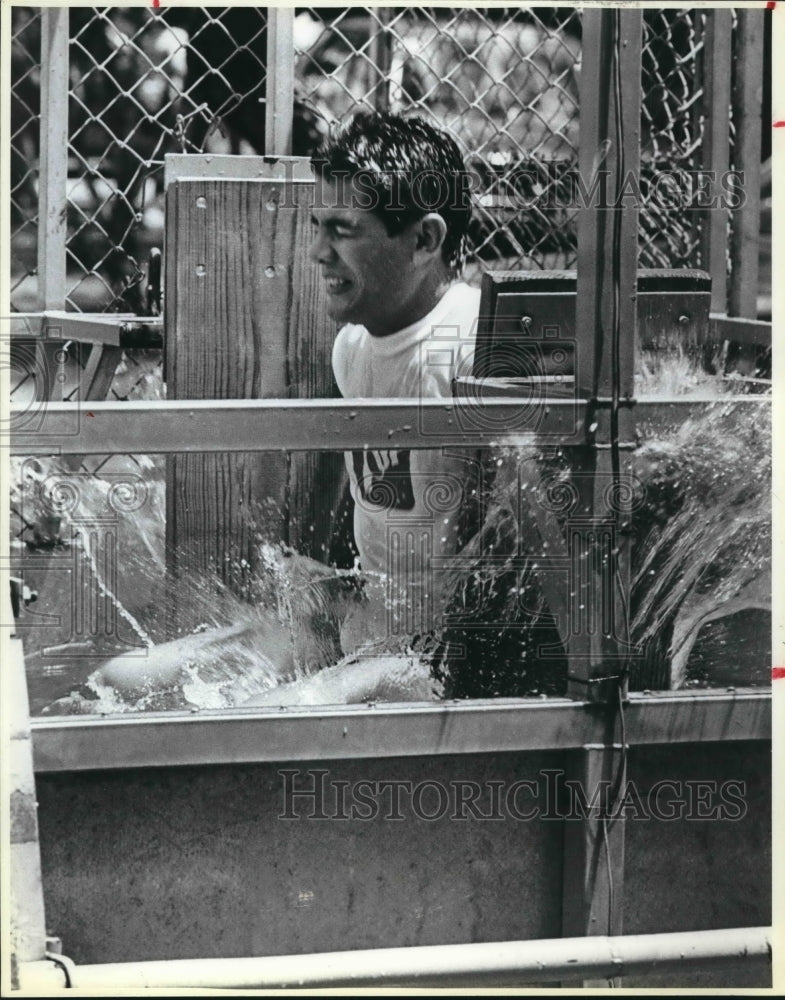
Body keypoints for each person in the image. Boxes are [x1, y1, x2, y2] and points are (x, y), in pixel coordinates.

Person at [309, 111, 481, 648]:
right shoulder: (352, 349)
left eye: (343, 231)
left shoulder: (475, 344)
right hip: (371, 631)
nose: (318, 252)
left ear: (424, 240)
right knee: (124, 679)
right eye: (317, 228)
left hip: (437, 658)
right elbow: (367, 509)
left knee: (270, 724)